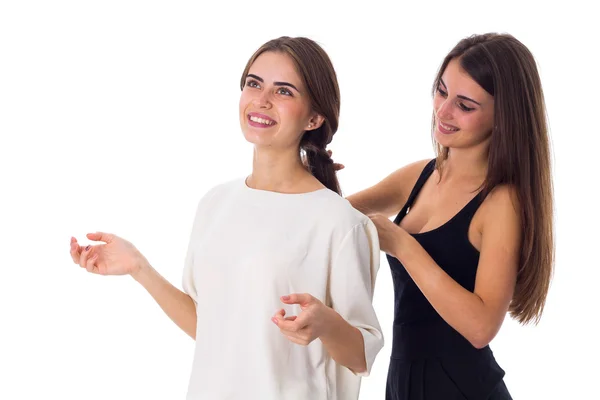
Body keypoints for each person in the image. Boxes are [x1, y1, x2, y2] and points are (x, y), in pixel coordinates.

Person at [69, 36, 383, 400]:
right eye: (253, 83)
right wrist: (139, 267)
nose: (261, 100)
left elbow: (361, 358)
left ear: (314, 117)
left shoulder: (338, 222)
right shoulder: (216, 203)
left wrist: (327, 324)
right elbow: (211, 329)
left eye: (283, 91)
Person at [344, 33, 554, 399]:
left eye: (465, 105)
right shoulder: (421, 175)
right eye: (441, 91)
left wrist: (402, 246)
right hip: (403, 382)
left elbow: (481, 327)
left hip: (461, 388)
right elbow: (334, 216)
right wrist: (312, 165)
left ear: (504, 116)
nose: (442, 111)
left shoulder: (502, 203)